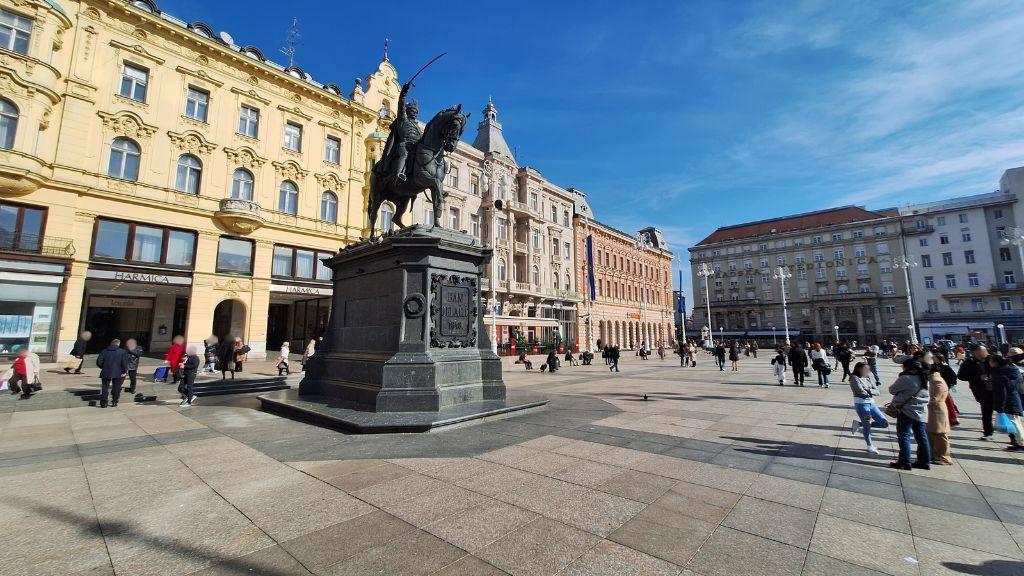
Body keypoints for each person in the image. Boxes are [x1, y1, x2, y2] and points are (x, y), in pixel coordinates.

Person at [889, 359, 931, 470]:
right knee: (921, 437)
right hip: (922, 411)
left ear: (907, 367)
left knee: (904, 436)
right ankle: (925, 462)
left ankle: (905, 462)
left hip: (907, 411)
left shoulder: (906, 378)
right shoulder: (924, 378)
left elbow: (892, 390)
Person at [958, 345, 994, 440]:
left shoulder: (991, 359)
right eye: (984, 350)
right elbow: (961, 376)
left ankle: (1013, 435)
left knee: (1006, 412)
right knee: (986, 411)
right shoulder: (969, 363)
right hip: (981, 390)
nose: (986, 352)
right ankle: (988, 432)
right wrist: (978, 377)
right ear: (976, 352)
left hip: (996, 389)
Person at [849, 362, 887, 453]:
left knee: (884, 423)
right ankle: (870, 446)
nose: (868, 371)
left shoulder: (867, 378)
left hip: (872, 404)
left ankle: (859, 424)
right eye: (866, 369)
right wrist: (870, 391)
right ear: (859, 369)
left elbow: (878, 392)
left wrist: (868, 390)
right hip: (862, 405)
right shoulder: (854, 378)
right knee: (867, 426)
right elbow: (860, 392)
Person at [989, 353, 1024, 451]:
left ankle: (1021, 444)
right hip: (1014, 398)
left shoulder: (1000, 373)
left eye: (991, 361)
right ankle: (1018, 443)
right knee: (1016, 422)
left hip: (1008, 401)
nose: (989, 363)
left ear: (996, 362)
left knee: (1014, 422)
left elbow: (1002, 391)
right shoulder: (1010, 369)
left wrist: (1000, 407)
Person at [927, 364, 953, 465]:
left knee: (940, 434)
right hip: (933, 410)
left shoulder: (937, 381)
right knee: (932, 433)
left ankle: (944, 457)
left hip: (937, 410)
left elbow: (935, 397)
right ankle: (935, 455)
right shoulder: (933, 379)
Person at [96, 339, 128, 408]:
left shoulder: (104, 351)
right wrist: (124, 371)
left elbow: (98, 362)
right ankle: (114, 401)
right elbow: (124, 363)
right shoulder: (122, 352)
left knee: (105, 387)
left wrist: (103, 367)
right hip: (118, 372)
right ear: (118, 344)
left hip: (106, 371)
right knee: (116, 387)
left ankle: (104, 403)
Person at [932, 352, 960, 427]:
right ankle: (953, 415)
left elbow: (953, 376)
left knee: (947, 400)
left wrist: (951, 383)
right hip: (936, 386)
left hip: (944, 385)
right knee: (945, 400)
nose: (933, 358)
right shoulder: (933, 366)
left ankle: (954, 415)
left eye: (934, 357)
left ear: (938, 358)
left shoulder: (945, 366)